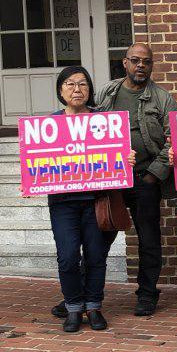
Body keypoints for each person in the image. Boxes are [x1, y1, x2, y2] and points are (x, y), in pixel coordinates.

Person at [87, 43, 177, 317]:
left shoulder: (162, 98)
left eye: (146, 62)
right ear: (125, 63)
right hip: (111, 179)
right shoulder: (107, 92)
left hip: (144, 178)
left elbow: (173, 139)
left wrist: (153, 175)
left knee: (148, 239)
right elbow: (87, 127)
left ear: (151, 66)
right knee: (99, 236)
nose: (141, 66)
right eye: (135, 60)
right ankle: (83, 295)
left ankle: (147, 294)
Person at [47, 66, 119, 333]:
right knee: (67, 257)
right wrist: (30, 177)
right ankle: (74, 307)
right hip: (63, 202)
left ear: (89, 90)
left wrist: (125, 158)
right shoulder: (49, 125)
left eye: (82, 84)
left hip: (96, 201)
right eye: (70, 84)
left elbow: (115, 153)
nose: (76, 89)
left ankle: (94, 306)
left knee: (95, 256)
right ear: (60, 90)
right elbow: (39, 161)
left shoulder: (103, 121)